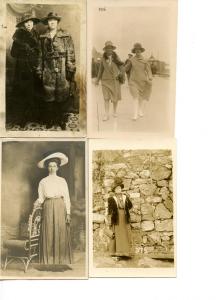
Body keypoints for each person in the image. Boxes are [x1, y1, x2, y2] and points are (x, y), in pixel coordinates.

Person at [39, 12, 76, 129]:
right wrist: (40, 70)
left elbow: (70, 53)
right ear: (47, 23)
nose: (52, 22)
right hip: (48, 69)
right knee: (49, 95)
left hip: (62, 68)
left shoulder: (66, 36)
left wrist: (70, 69)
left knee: (61, 95)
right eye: (50, 20)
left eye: (54, 20)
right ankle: (50, 120)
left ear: (57, 22)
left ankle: (60, 120)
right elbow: (40, 55)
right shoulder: (43, 37)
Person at [34, 152, 72, 265]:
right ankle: (49, 259)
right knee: (49, 230)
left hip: (60, 206)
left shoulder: (62, 180)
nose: (52, 168)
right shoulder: (43, 181)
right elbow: (41, 198)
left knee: (60, 230)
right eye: (50, 166)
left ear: (58, 167)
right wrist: (36, 204)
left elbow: (67, 198)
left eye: (54, 166)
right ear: (47, 167)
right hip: (48, 206)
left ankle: (60, 259)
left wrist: (68, 213)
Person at [10, 12, 41, 127]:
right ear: (23, 24)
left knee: (34, 92)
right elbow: (13, 53)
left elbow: (39, 51)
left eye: (31, 22)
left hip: (34, 66)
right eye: (27, 22)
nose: (29, 24)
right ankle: (22, 119)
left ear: (33, 23)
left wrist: (36, 58)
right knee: (22, 93)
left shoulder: (36, 34)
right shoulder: (18, 35)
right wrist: (24, 50)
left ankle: (33, 117)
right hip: (22, 68)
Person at [95, 41, 125, 121]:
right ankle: (106, 114)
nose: (109, 50)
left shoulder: (117, 58)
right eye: (107, 48)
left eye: (110, 48)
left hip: (115, 81)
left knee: (115, 98)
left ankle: (114, 112)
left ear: (112, 49)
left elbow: (122, 68)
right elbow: (100, 70)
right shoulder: (103, 58)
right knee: (106, 98)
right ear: (105, 49)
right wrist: (97, 80)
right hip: (105, 81)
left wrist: (121, 76)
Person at [106, 178, 133, 261]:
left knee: (125, 234)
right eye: (117, 188)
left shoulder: (125, 197)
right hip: (117, 218)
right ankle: (116, 253)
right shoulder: (111, 199)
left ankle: (126, 252)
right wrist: (109, 219)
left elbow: (131, 206)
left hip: (124, 218)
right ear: (114, 190)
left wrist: (126, 208)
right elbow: (109, 210)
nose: (119, 189)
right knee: (117, 235)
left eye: (120, 188)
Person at [125, 43, 153, 120]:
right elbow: (126, 68)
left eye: (139, 51)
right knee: (135, 97)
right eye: (136, 51)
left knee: (141, 98)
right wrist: (120, 72)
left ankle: (140, 109)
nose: (137, 52)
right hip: (133, 81)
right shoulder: (131, 60)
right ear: (134, 51)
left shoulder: (145, 61)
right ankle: (135, 115)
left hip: (142, 81)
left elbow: (148, 71)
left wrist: (150, 77)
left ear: (141, 51)